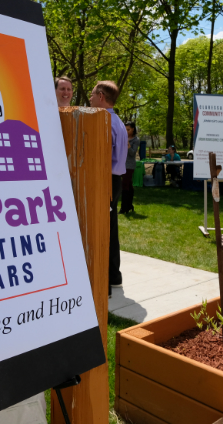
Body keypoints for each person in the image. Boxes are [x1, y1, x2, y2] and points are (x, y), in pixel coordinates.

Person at [89, 81, 128, 292]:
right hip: (114, 180)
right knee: (111, 229)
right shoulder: (117, 121)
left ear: (101, 96)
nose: (90, 98)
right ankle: (113, 276)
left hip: (106, 180)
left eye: (93, 94)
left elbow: (101, 157)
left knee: (103, 230)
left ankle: (106, 279)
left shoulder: (103, 121)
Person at [120, 122, 139, 214]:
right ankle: (130, 205)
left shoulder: (136, 140)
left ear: (133, 129)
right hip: (121, 164)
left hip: (129, 165)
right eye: (125, 129)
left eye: (128, 129)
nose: (126, 131)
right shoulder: (122, 137)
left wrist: (128, 145)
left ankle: (124, 208)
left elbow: (132, 153)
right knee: (129, 185)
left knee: (124, 185)